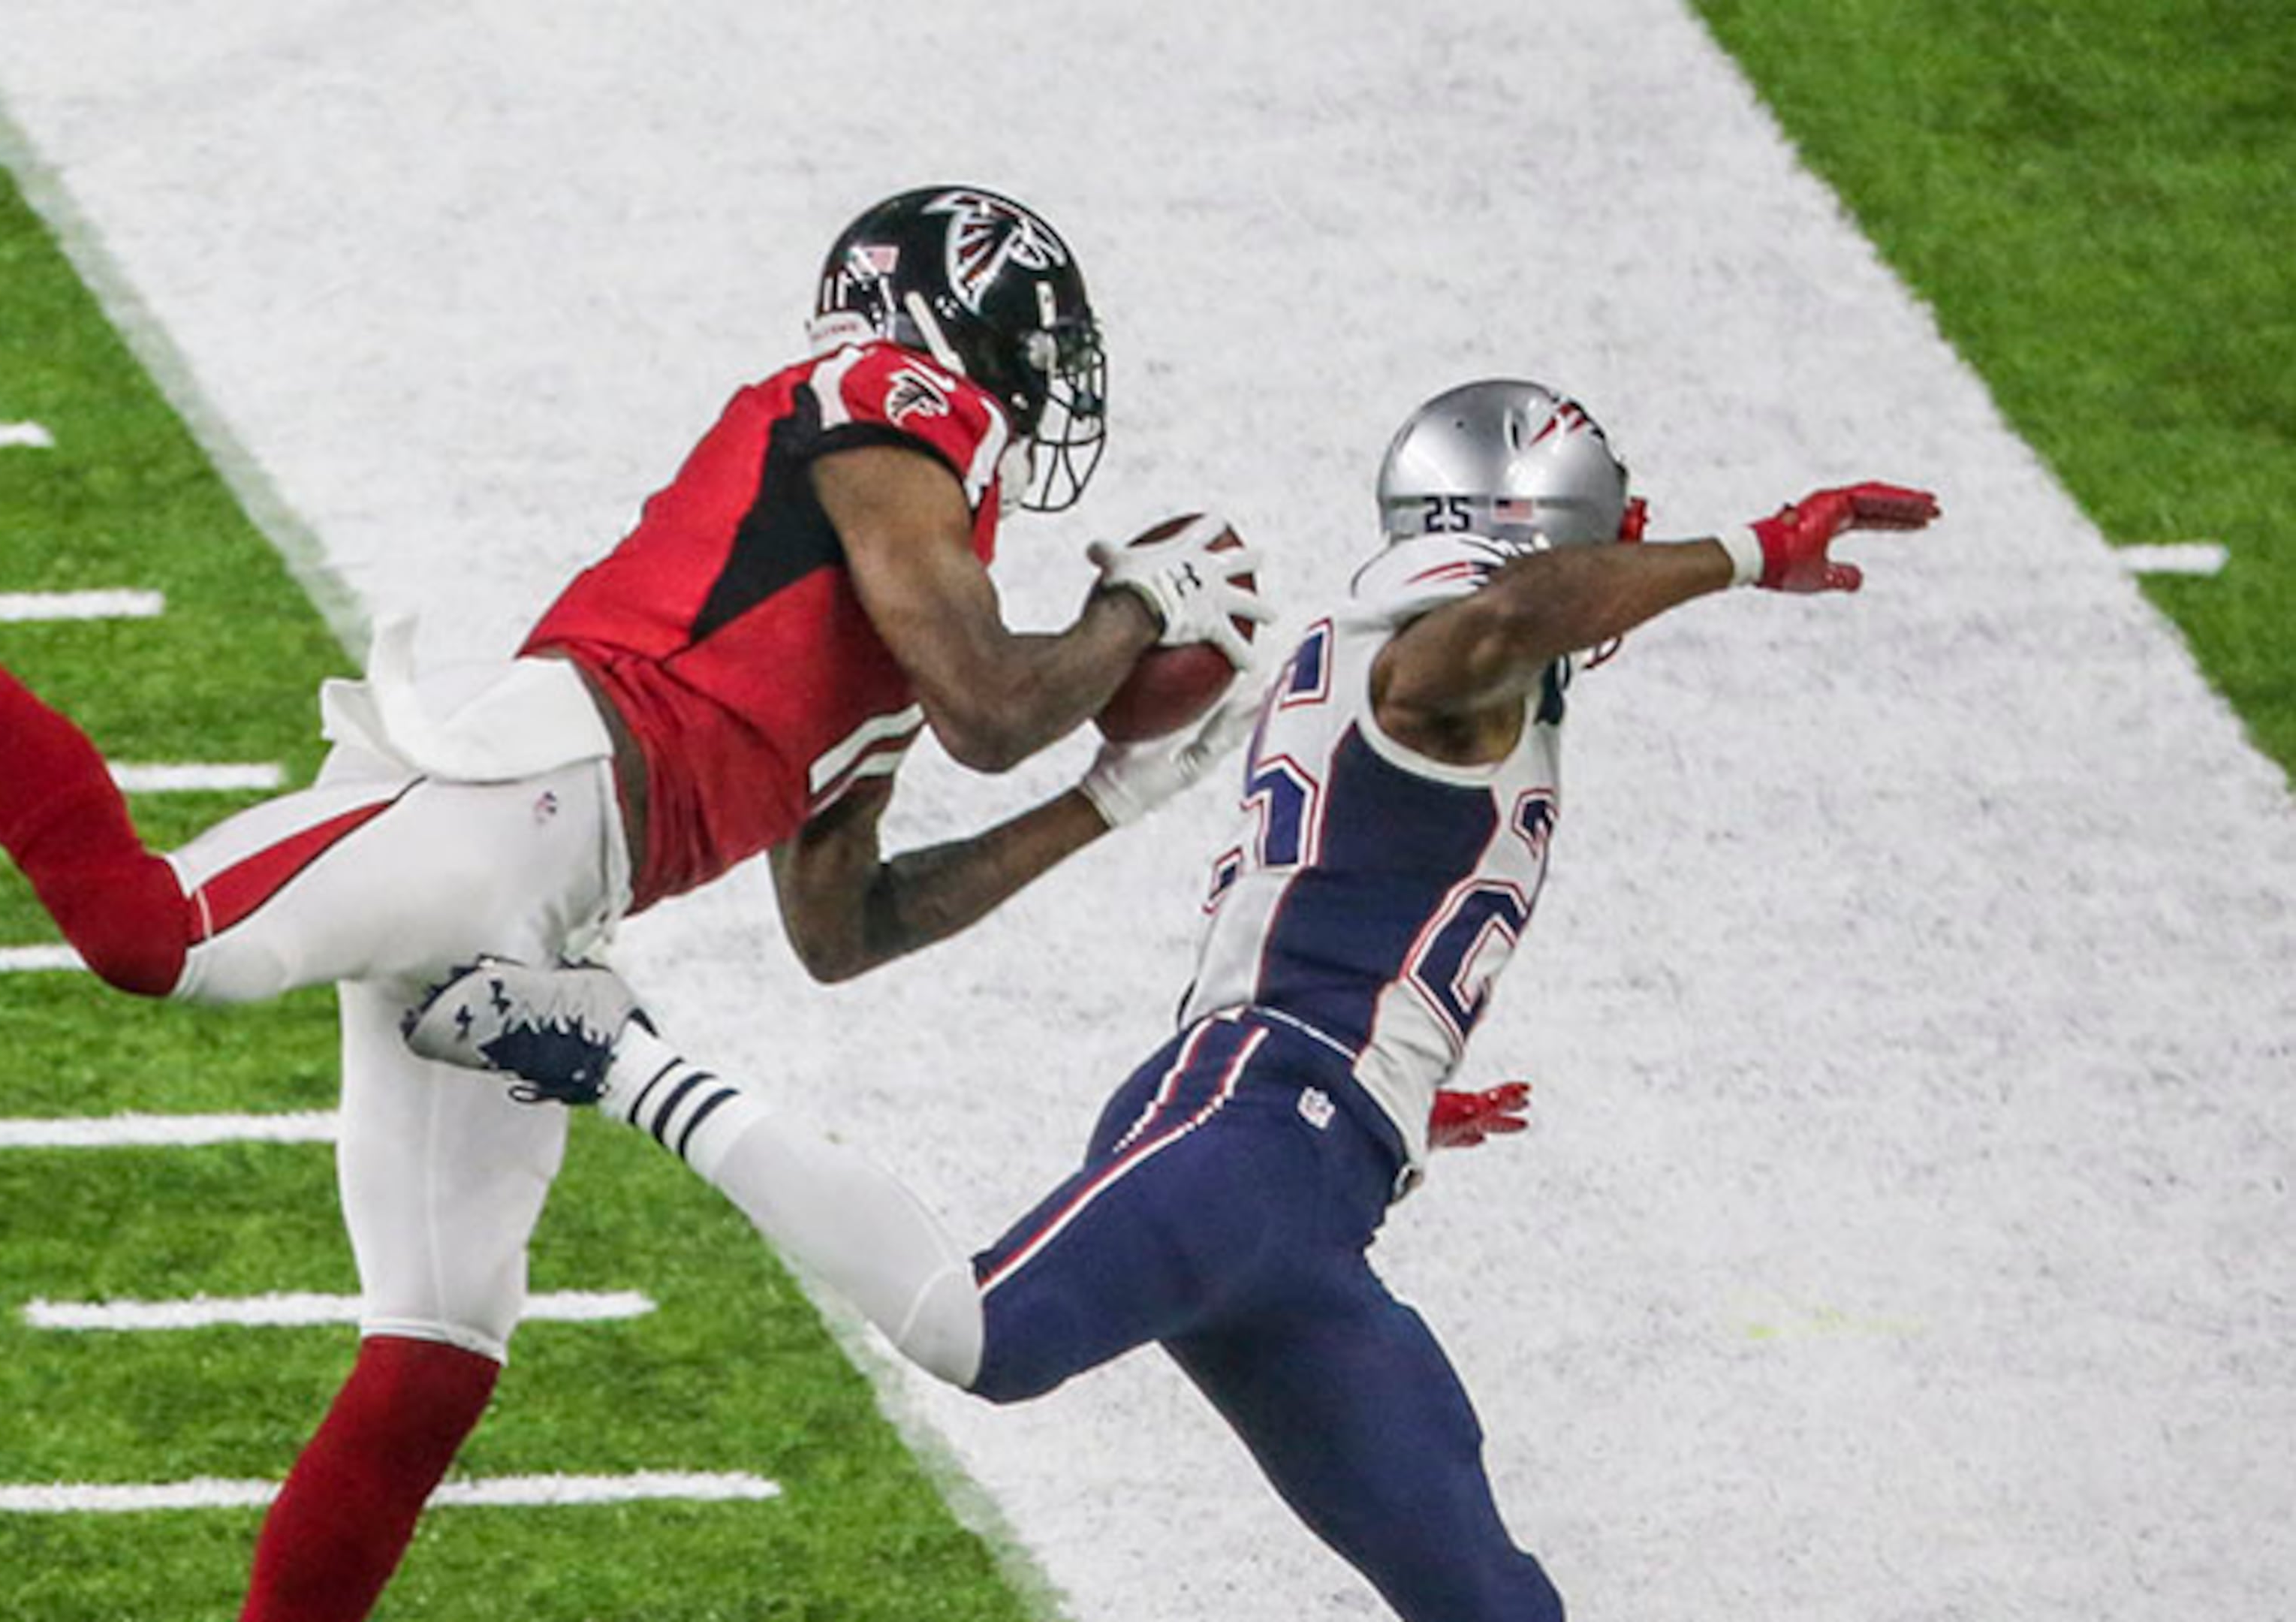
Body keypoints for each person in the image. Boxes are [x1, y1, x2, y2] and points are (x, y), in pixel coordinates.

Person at [0, 185, 1271, 1622]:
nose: (1038, 393)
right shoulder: (888, 396)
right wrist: (1133, 608)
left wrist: (1103, 799)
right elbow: (996, 699)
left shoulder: (922, 588)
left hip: (562, 898)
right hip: (512, 791)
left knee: (436, 1349)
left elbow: (846, 930)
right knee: (152, 935)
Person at [400, 379, 1942, 1620]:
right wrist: (1748, 553)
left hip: (1314, 1159)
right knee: (986, 1334)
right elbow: (1496, 627)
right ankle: (625, 1057)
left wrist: (1394, 1083)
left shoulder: (1405, 657)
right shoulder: (1449, 658)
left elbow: (1336, 895)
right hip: (1256, 1123)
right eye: (1597, 554)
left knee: (1488, 1604)